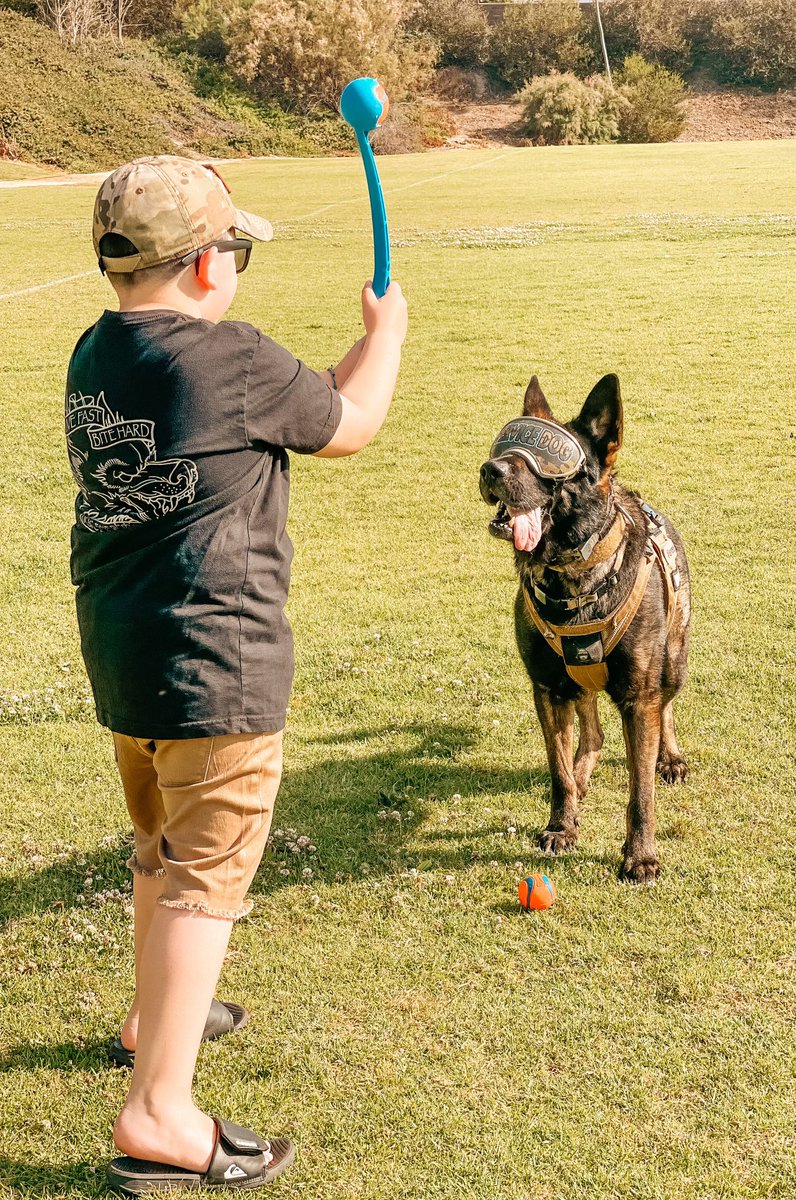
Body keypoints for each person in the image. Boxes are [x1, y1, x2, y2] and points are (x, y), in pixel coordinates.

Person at [65, 155, 407, 1192]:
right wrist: (385, 338)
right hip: (219, 660)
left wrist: (354, 351)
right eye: (236, 250)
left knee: (161, 849)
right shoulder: (233, 360)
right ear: (211, 266)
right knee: (204, 882)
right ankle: (161, 1113)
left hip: (127, 652)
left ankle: (151, 1019)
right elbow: (351, 424)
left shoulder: (97, 349)